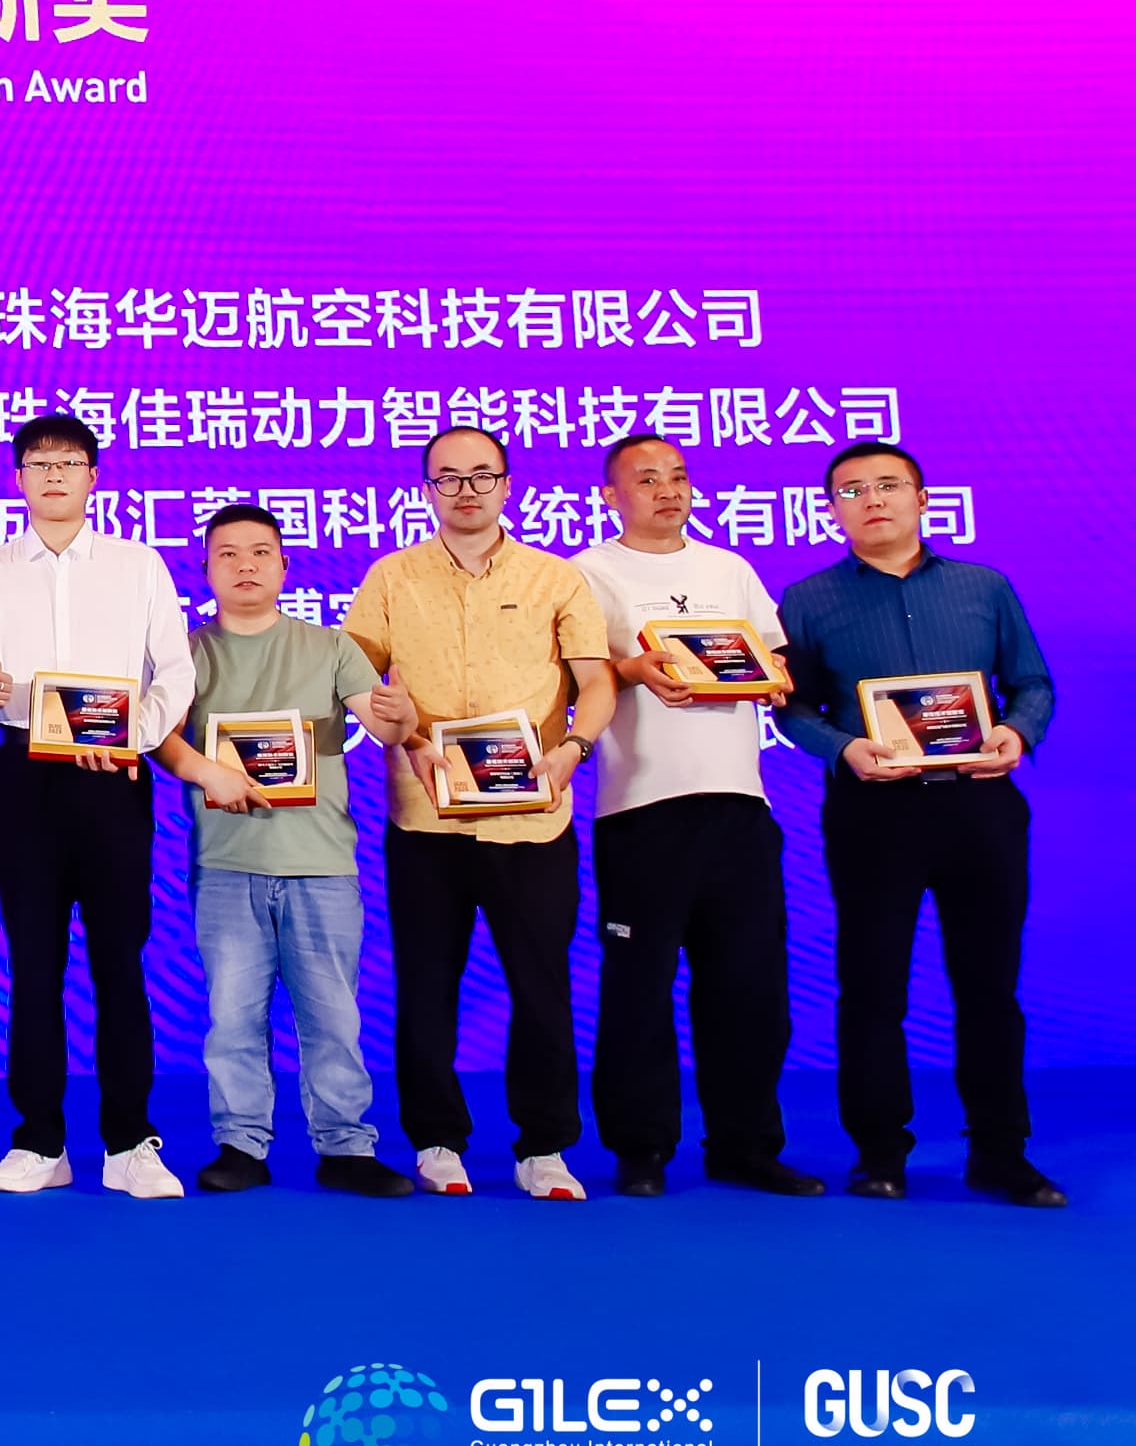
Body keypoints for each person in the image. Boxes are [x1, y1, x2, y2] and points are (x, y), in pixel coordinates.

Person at [775, 442, 1060, 1207]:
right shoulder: (807, 599)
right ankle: (879, 1153)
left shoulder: (984, 586)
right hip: (874, 810)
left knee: (990, 986)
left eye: (888, 485)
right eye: (851, 490)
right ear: (831, 509)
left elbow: (1031, 681)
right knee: (872, 985)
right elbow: (792, 707)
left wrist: (1017, 733)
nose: (872, 500)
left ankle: (1001, 1152)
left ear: (923, 498)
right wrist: (843, 748)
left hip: (979, 804)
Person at [345, 424, 615, 1201]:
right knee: (427, 983)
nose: (466, 490)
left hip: (534, 818)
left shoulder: (555, 578)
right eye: (448, 477)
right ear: (426, 489)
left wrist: (573, 750)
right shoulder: (392, 577)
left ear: (507, 484)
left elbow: (596, 680)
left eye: (482, 475)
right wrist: (407, 737)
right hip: (425, 818)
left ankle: (545, 1146)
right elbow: (354, 678)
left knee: (542, 986)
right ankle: (436, 1139)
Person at [0, 415, 195, 1199]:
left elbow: (176, 671)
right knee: (34, 962)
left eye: (69, 462)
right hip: (25, 774)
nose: (54, 475)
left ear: (93, 477)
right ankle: (39, 1141)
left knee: (120, 960)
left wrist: (130, 737)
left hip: (114, 775)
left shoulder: (137, 564)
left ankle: (129, 1142)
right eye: (39, 463)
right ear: (18, 479)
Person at [575, 434, 820, 1198]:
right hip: (641, 807)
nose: (668, 490)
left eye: (678, 476)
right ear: (610, 496)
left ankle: (746, 1145)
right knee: (639, 986)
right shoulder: (586, 574)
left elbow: (776, 659)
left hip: (740, 805)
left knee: (750, 986)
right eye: (647, 479)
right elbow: (572, 677)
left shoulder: (728, 568)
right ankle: (641, 1147)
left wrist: (773, 676)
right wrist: (632, 669)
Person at [150, 505, 414, 1197]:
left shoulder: (331, 646)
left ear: (284, 565)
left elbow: (384, 724)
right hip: (226, 861)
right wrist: (206, 771)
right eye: (228, 554)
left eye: (260, 552)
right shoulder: (185, 654)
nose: (245, 565)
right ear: (205, 569)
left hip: (320, 860)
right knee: (233, 1016)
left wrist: (402, 717)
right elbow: (158, 735)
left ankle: (346, 1147)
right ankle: (241, 1144)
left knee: (334, 1017)